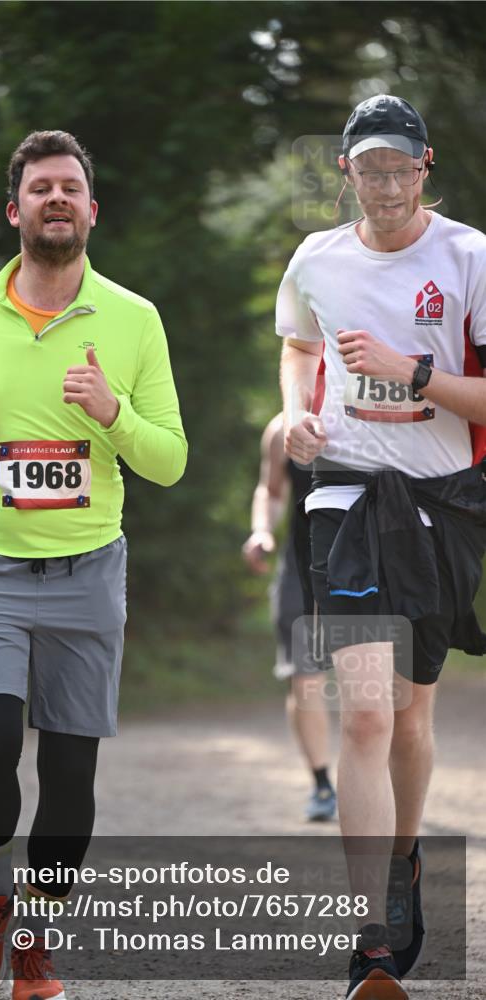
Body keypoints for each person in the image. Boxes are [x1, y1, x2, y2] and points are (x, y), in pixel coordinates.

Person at [0, 130, 187, 1000]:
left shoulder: (133, 318)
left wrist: (112, 414)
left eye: (70, 187)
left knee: (69, 775)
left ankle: (32, 936)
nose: (56, 198)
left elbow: (169, 459)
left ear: (91, 211)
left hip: (86, 571)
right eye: (40, 188)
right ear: (15, 210)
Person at [276, 94, 486, 999]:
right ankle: (368, 939)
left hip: (444, 505)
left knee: (408, 716)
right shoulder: (316, 258)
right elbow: (297, 347)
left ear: (424, 166)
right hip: (346, 497)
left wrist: (411, 373)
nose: (387, 184)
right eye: (370, 169)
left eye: (400, 168)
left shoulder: (470, 257)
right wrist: (295, 411)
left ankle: (402, 864)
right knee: (363, 713)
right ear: (346, 172)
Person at [242, 412, 336, 822]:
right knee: (306, 678)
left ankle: (378, 777)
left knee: (371, 684)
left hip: (367, 565)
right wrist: (262, 530)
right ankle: (322, 783)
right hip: (302, 567)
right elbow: (271, 490)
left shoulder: (370, 415)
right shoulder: (282, 428)